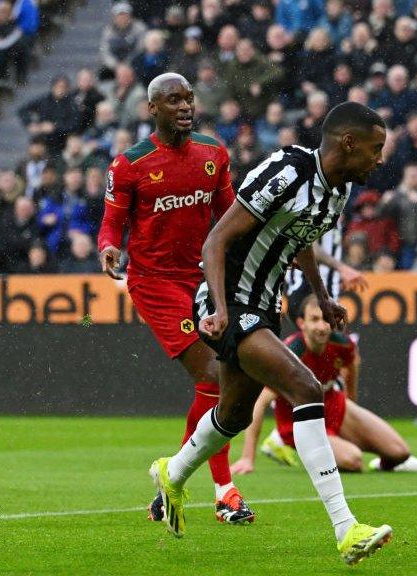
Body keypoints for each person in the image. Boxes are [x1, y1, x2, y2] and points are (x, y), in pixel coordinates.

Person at [148, 101, 392, 566]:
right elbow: (215, 240)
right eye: (375, 149)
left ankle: (172, 473)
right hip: (227, 301)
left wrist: (320, 295)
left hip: (263, 308)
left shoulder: (336, 193)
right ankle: (346, 528)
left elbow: (298, 240)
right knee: (305, 387)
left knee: (234, 414)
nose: (379, 159)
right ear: (348, 143)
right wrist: (218, 310)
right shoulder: (287, 169)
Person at [95, 73, 253, 526]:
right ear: (152, 109)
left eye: (188, 98)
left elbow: (228, 219)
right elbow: (111, 223)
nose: (184, 106)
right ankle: (224, 491)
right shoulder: (129, 165)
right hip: (154, 282)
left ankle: (173, 485)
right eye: (173, 100)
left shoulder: (213, 154)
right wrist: (109, 246)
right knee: (212, 374)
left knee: (225, 380)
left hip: (204, 278)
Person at [230, 295, 417, 474]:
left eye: (325, 319)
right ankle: (284, 440)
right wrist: (248, 457)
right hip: (299, 421)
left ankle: (377, 463)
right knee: (353, 460)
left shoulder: (342, 344)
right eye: (314, 319)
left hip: (334, 407)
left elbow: (353, 364)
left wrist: (350, 403)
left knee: (400, 453)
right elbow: (261, 402)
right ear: (301, 323)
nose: (321, 326)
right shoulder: (290, 355)